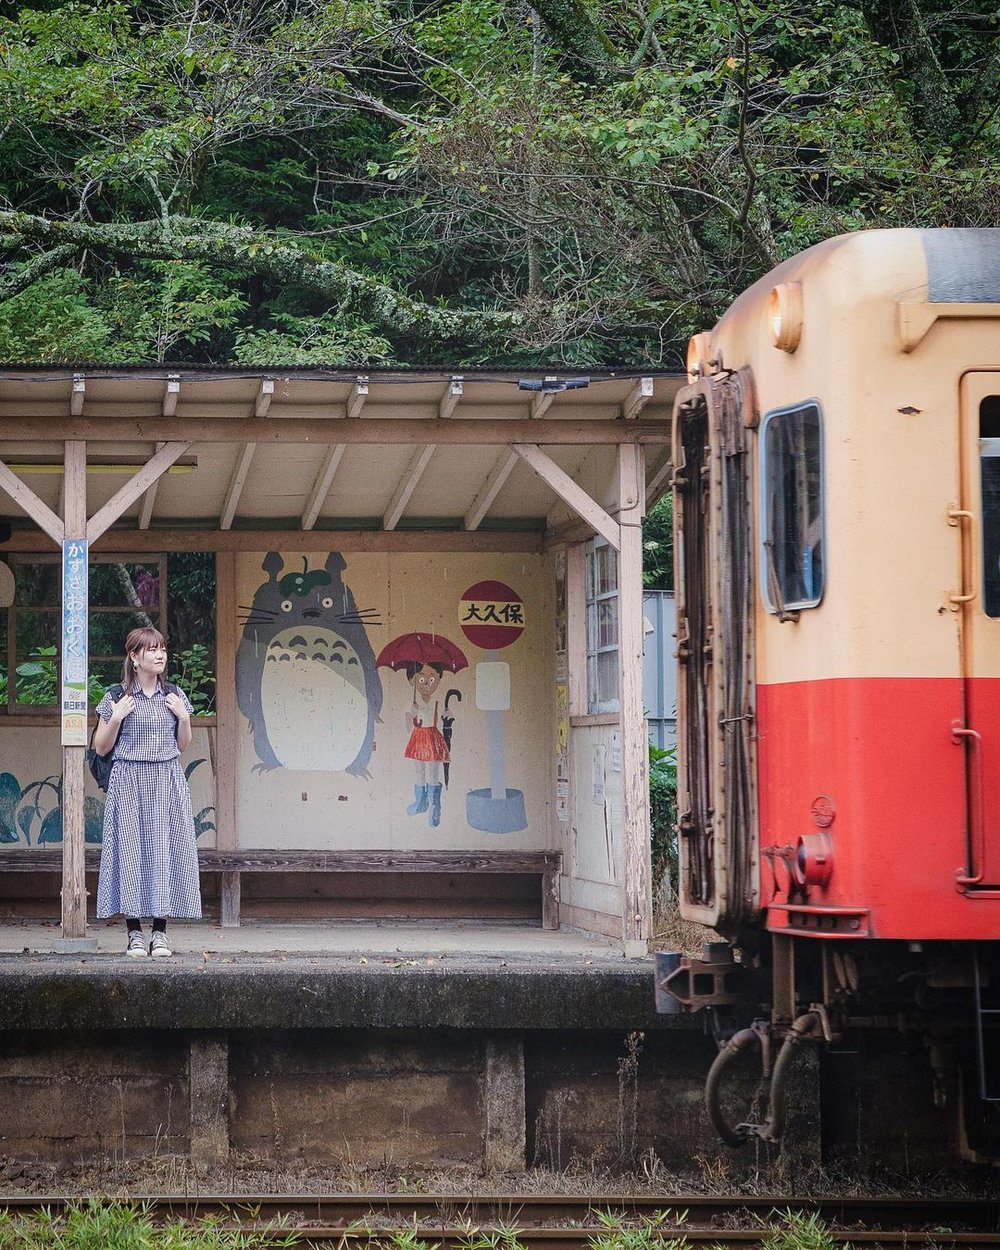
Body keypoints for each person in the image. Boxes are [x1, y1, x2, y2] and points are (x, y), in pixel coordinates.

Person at [93, 626, 201, 957]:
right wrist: (116, 718)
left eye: (162, 649)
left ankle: (160, 933)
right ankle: (134, 933)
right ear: (134, 657)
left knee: (164, 850)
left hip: (166, 779)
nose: (160, 655)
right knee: (131, 851)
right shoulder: (116, 696)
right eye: (152, 650)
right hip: (128, 780)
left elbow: (183, 745)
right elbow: (100, 747)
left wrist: (184, 718)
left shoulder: (174, 694)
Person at [403, 661, 450, 827]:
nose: (427, 685)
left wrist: (447, 715)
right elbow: (408, 727)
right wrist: (412, 714)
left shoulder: (437, 701)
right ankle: (421, 802)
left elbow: (445, 718)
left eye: (432, 680)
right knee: (420, 772)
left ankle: (435, 806)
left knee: (433, 773)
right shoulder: (412, 704)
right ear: (412, 681)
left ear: (438, 679)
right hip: (418, 738)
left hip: (433, 737)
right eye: (421, 681)